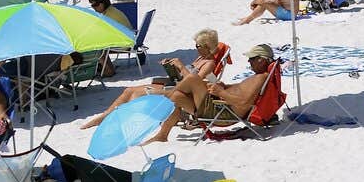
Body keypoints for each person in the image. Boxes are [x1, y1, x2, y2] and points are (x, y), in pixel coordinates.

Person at [91, 44, 278, 144]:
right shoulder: (257, 76)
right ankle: (163, 134)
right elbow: (240, 91)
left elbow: (244, 100)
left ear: (262, 60)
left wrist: (221, 91)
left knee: (194, 80)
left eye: (252, 59)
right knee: (176, 98)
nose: (249, 62)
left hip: (224, 113)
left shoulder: (259, 78)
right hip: (217, 106)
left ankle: (164, 94)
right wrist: (224, 85)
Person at [81, 29, 230, 128]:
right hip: (175, 85)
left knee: (137, 94)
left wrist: (181, 66)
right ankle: (105, 116)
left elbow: (195, 83)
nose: (195, 47)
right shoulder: (200, 58)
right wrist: (172, 67)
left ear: (207, 46)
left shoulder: (209, 63)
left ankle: (114, 119)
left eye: (198, 45)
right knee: (128, 90)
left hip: (183, 95)